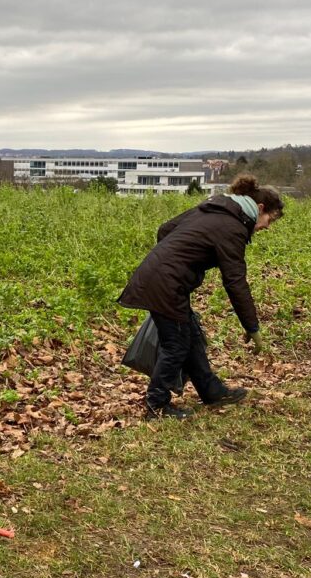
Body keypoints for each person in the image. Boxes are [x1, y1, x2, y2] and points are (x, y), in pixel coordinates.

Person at [118, 174, 284, 419]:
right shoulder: (233, 226)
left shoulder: (215, 208)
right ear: (260, 208)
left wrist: (177, 260)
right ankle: (157, 405)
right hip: (166, 284)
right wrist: (252, 327)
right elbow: (235, 282)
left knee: (190, 336)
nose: (267, 226)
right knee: (176, 344)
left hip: (161, 278)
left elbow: (165, 229)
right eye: (270, 219)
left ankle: (212, 392)